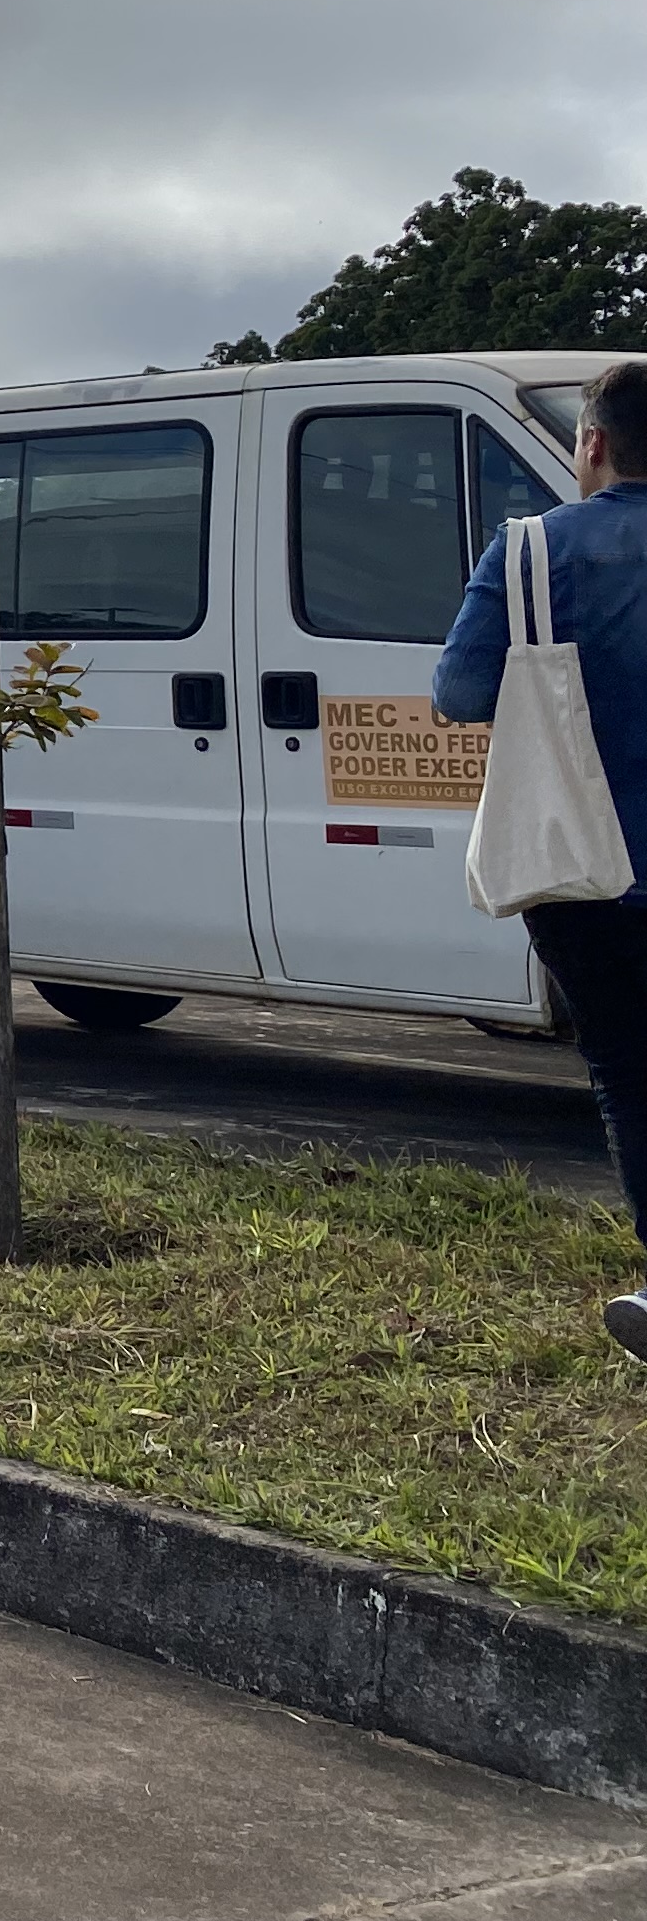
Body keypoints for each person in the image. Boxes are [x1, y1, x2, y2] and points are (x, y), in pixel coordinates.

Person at [435, 358, 647, 1365]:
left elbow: (464, 692)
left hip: (588, 871)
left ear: (592, 444)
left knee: (629, 1070)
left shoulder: (530, 554)